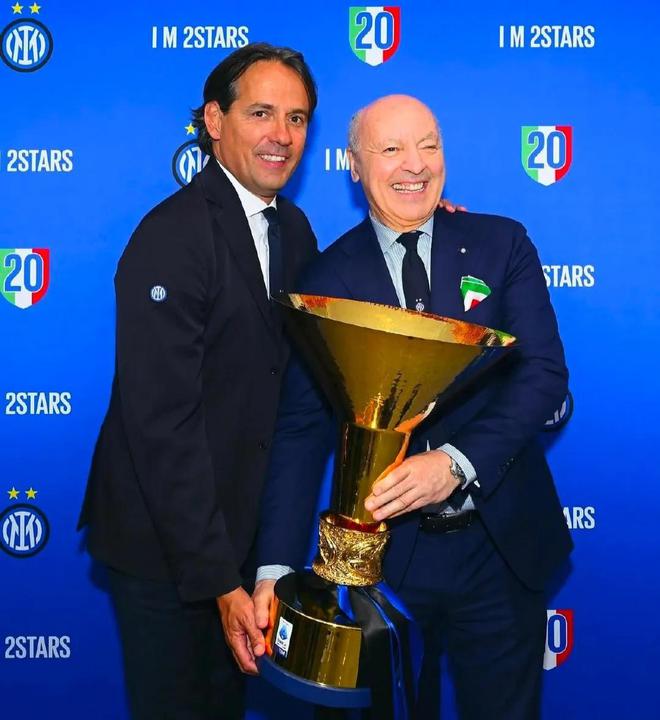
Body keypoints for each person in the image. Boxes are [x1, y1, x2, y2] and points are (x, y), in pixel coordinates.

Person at [254, 95, 573, 720]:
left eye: (429, 145)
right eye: (392, 149)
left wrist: (454, 463)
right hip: (385, 562)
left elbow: (543, 375)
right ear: (354, 164)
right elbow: (300, 432)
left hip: (500, 547)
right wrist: (273, 568)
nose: (415, 165)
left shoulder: (501, 243)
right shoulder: (324, 280)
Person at [78, 43, 320, 719]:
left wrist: (420, 224)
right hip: (164, 549)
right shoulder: (173, 235)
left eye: (297, 118)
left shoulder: (294, 230)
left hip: (239, 545)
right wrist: (220, 581)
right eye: (261, 113)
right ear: (215, 121)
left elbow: (309, 372)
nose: (281, 135)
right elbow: (162, 425)